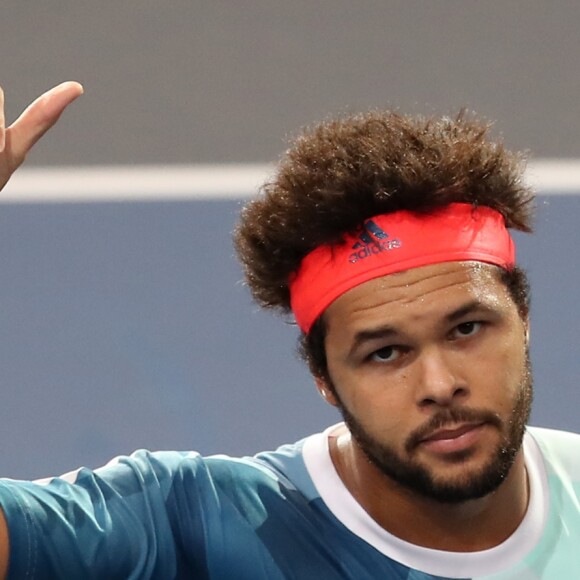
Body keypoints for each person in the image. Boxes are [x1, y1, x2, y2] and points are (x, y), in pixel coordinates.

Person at [0, 83, 577, 579]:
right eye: (385, 353)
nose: (440, 382)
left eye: (467, 328)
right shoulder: (202, 525)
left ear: (522, 322)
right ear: (323, 377)